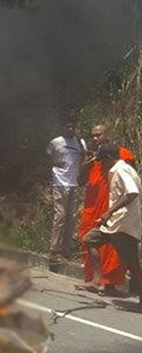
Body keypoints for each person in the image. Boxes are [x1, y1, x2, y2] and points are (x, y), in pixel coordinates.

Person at [83, 143, 142, 306]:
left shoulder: (121, 170)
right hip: (114, 223)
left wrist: (109, 212)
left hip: (123, 224)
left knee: (133, 265)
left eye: (102, 161)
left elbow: (132, 193)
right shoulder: (120, 169)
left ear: (109, 158)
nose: (101, 164)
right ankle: (98, 278)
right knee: (90, 239)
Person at [78, 124, 134, 294]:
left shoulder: (122, 155)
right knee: (87, 240)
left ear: (108, 136)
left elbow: (132, 180)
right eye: (93, 136)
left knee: (113, 248)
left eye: (99, 135)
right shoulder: (90, 157)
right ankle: (94, 280)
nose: (95, 138)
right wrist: (85, 165)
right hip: (92, 207)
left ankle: (109, 283)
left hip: (111, 207)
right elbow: (80, 181)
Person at [47, 122, 84, 262]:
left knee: (72, 217)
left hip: (74, 183)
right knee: (60, 215)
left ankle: (65, 250)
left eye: (73, 126)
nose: (70, 129)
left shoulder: (79, 143)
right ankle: (53, 250)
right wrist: (52, 172)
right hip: (59, 182)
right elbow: (48, 159)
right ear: (63, 127)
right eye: (67, 126)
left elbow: (83, 158)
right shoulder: (56, 142)